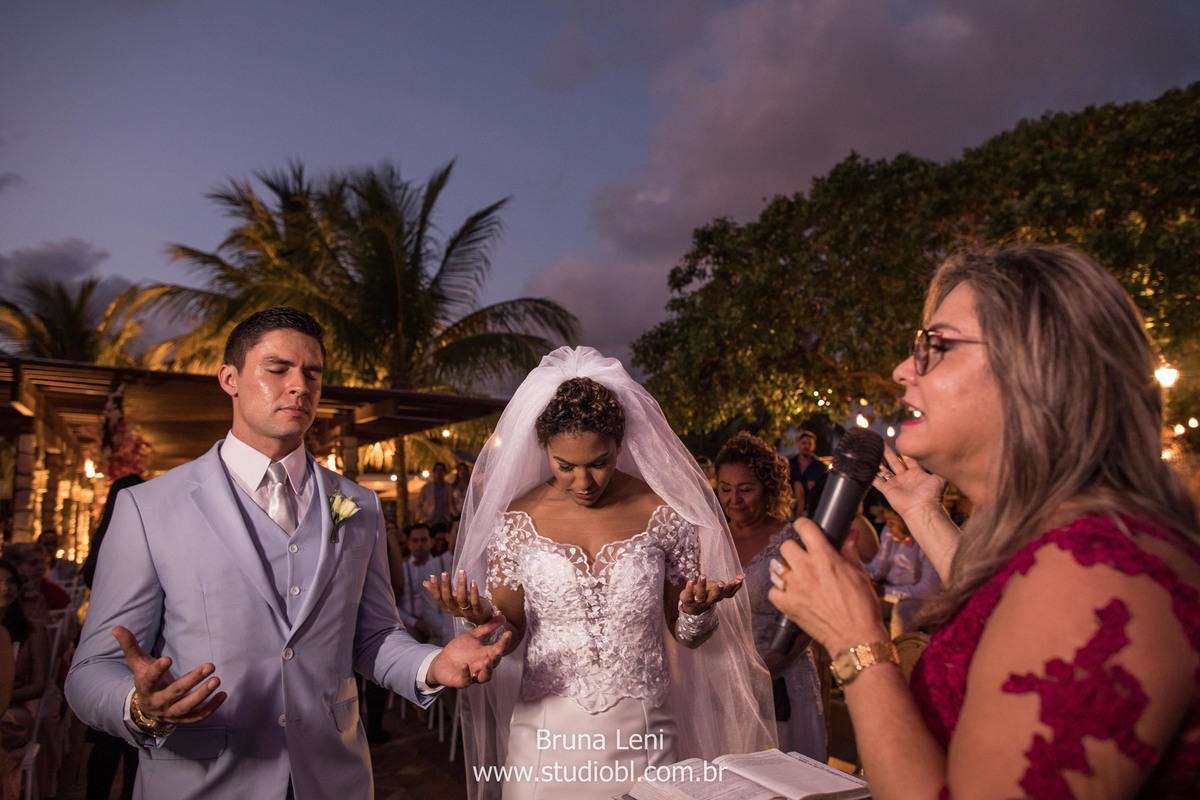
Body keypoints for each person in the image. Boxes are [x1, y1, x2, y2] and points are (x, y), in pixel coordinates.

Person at [768, 244, 1200, 798]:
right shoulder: (1071, 547)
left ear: (1038, 370)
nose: (903, 371)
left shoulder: (1103, 570)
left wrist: (856, 639)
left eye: (937, 346)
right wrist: (922, 511)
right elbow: (1001, 602)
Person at [65, 306, 510, 800]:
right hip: (203, 780)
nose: (299, 385)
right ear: (229, 378)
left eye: (312, 373)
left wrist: (432, 665)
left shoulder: (357, 505)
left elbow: (374, 635)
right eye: (277, 369)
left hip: (332, 777)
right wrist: (140, 706)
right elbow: (90, 672)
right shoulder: (148, 507)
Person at [426, 347, 774, 800]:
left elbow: (687, 636)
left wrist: (696, 611)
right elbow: (507, 631)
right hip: (544, 741)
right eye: (565, 466)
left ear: (620, 445)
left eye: (599, 462)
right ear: (544, 450)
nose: (583, 482)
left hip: (644, 736)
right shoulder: (516, 519)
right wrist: (479, 618)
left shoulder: (665, 514)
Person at [713, 431, 825, 759]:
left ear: (768, 488)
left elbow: (812, 619)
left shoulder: (790, 542)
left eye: (746, 489)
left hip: (782, 679)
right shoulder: (713, 539)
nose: (735, 500)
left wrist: (767, 668)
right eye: (725, 489)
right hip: (724, 678)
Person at [81, 475, 145, 800]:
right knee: (124, 734)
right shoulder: (124, 537)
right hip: (127, 639)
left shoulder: (104, 539)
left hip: (110, 635)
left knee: (113, 737)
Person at [864, 501, 940, 637]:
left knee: (901, 615)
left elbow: (927, 589)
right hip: (891, 590)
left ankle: (902, 655)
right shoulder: (889, 532)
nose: (888, 525)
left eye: (892, 521)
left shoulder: (928, 541)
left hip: (920, 597)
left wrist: (885, 592)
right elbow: (877, 568)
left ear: (908, 520)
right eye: (887, 520)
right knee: (862, 608)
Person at [787, 431, 826, 518]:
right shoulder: (789, 464)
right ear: (798, 444)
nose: (806, 446)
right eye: (803, 443)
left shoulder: (820, 467)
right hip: (790, 512)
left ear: (814, 446)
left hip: (812, 513)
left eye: (809, 444)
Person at [416, 462, 453, 527]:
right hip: (431, 520)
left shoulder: (449, 487)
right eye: (437, 470)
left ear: (444, 472)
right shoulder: (427, 488)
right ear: (434, 472)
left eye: (441, 470)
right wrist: (424, 517)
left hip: (445, 520)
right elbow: (419, 504)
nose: (439, 472)